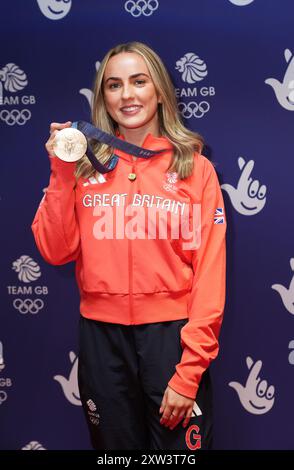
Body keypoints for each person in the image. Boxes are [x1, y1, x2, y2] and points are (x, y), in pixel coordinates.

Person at [31, 41, 226, 451]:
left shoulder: (193, 169)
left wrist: (189, 370)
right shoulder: (84, 166)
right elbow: (54, 249)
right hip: (102, 341)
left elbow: (209, 274)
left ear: (159, 90)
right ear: (103, 97)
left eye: (139, 82)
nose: (128, 95)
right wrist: (61, 171)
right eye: (114, 85)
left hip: (170, 340)